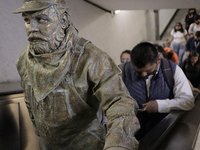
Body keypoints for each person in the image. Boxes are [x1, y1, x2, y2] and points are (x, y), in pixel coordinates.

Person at [13, 0, 140, 150]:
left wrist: (118, 145)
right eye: (27, 20)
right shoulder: (24, 60)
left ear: (63, 21)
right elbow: (30, 101)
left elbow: (120, 104)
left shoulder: (91, 57)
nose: (31, 28)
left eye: (41, 19)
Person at [123, 42, 194, 140]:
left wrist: (160, 105)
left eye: (148, 70)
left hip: (160, 132)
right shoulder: (125, 69)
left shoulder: (172, 70)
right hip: (133, 134)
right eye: (139, 71)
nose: (143, 75)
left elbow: (188, 101)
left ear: (158, 59)